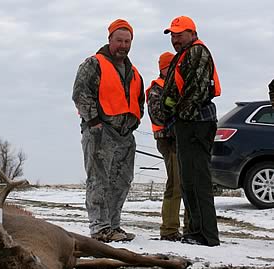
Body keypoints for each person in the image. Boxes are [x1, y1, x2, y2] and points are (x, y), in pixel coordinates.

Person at [72, 19, 145, 242]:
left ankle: (113, 225)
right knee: (98, 180)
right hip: (100, 133)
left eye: (127, 41)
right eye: (119, 40)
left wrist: (134, 122)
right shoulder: (93, 64)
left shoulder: (134, 72)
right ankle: (99, 227)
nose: (123, 45)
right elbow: (81, 94)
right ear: (109, 39)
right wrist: (94, 122)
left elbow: (139, 101)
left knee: (122, 181)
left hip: (125, 135)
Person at [161, 16, 221, 246]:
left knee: (197, 179)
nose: (175, 39)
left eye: (179, 34)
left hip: (196, 124)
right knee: (189, 179)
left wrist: (179, 115)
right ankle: (196, 231)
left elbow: (195, 91)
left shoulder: (197, 52)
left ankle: (206, 235)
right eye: (173, 35)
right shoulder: (185, 54)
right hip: (188, 124)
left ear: (192, 33)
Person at [146, 52, 188, 241]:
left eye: (175, 65)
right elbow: (157, 115)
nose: (172, 69)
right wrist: (175, 108)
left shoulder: (180, 85)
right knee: (176, 184)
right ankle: (169, 230)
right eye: (168, 66)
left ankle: (190, 227)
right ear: (161, 68)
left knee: (187, 184)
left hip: (183, 140)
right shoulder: (157, 89)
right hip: (168, 140)